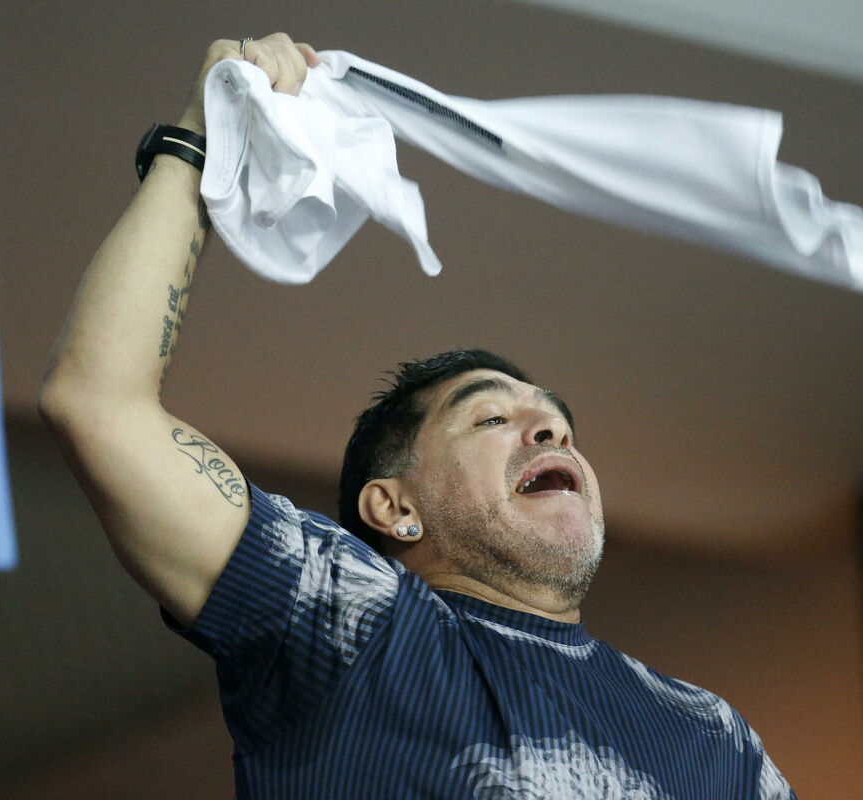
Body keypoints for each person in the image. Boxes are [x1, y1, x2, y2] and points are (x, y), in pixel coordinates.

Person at [39, 33, 797, 800]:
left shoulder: (713, 736)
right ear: (394, 508)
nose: (551, 432)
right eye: (490, 418)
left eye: (556, 422)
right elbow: (98, 403)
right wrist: (200, 133)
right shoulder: (350, 620)